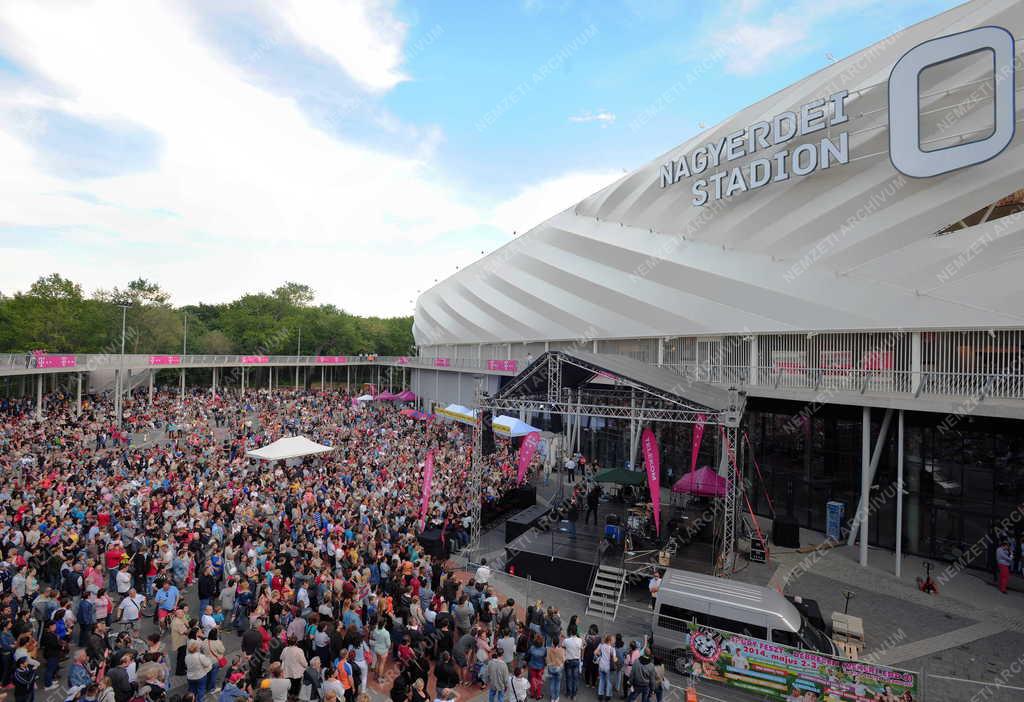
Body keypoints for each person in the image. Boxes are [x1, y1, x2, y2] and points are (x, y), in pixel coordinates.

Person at [563, 628, 582, 701]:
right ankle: (574, 695)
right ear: (576, 633)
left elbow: (563, 646)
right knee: (575, 678)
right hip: (576, 661)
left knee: (568, 678)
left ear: (571, 632)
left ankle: (568, 693)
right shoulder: (580, 640)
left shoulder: (566, 640)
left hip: (568, 661)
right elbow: (581, 647)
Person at [596, 635, 616, 702]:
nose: (614, 641)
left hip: (601, 665)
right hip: (608, 667)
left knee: (602, 680)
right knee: (609, 682)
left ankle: (600, 695)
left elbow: (595, 652)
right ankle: (607, 696)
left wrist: (600, 655)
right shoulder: (612, 649)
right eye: (613, 640)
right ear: (610, 641)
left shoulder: (601, 645)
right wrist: (616, 659)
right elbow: (614, 659)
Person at [545, 637, 565, 702]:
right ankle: (556, 698)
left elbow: (547, 660)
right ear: (558, 643)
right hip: (558, 668)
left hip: (551, 668)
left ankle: (552, 698)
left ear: (552, 643)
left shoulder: (549, 650)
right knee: (558, 684)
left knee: (552, 683)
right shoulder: (561, 650)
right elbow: (563, 659)